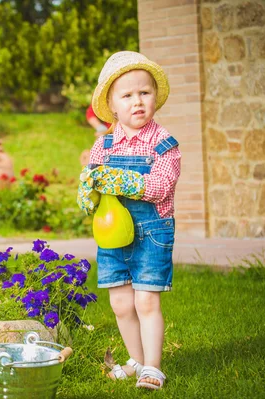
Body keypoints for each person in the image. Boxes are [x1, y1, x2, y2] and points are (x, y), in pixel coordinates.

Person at [77, 51, 181, 390]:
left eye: (144, 93)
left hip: (151, 232)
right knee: (121, 303)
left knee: (145, 300)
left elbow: (162, 185)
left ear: (155, 98)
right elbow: (93, 181)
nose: (137, 102)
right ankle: (136, 360)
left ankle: (153, 367)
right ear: (112, 105)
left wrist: (123, 181)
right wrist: (87, 192)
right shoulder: (102, 146)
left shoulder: (164, 144)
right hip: (113, 233)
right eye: (127, 95)